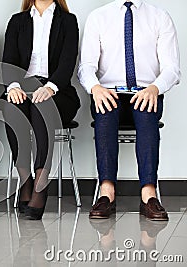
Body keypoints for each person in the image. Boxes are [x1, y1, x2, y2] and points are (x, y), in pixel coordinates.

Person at [78, 0, 180, 220]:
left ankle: (149, 195)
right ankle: (107, 192)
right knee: (105, 112)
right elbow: (86, 65)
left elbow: (172, 68)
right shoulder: (98, 16)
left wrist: (155, 88)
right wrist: (95, 88)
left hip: (145, 92)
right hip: (109, 91)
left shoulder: (160, 17)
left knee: (146, 114)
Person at [2, 0, 80, 220]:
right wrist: (14, 87)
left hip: (58, 91)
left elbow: (67, 63)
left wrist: (50, 87)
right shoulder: (18, 21)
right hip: (23, 87)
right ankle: (25, 179)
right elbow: (9, 60)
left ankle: (41, 182)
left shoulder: (68, 21)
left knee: (41, 106)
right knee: (11, 107)